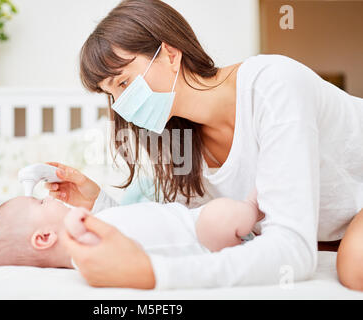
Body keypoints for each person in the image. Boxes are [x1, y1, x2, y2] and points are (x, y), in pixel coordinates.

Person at [45, 0, 363, 291]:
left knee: (355, 266)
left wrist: (153, 274)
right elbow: (184, 230)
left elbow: (293, 251)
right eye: (111, 94)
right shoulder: (179, 139)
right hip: (333, 227)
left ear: (170, 54)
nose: (120, 105)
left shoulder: (273, 85)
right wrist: (98, 209)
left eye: (124, 82)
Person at [0, 192, 263, 268]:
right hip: (201, 236)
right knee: (225, 212)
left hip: (189, 220)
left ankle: (254, 224)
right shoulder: (83, 251)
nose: (50, 198)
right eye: (41, 202)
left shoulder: (90, 233)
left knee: (221, 212)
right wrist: (77, 217)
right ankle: (255, 205)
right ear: (44, 238)